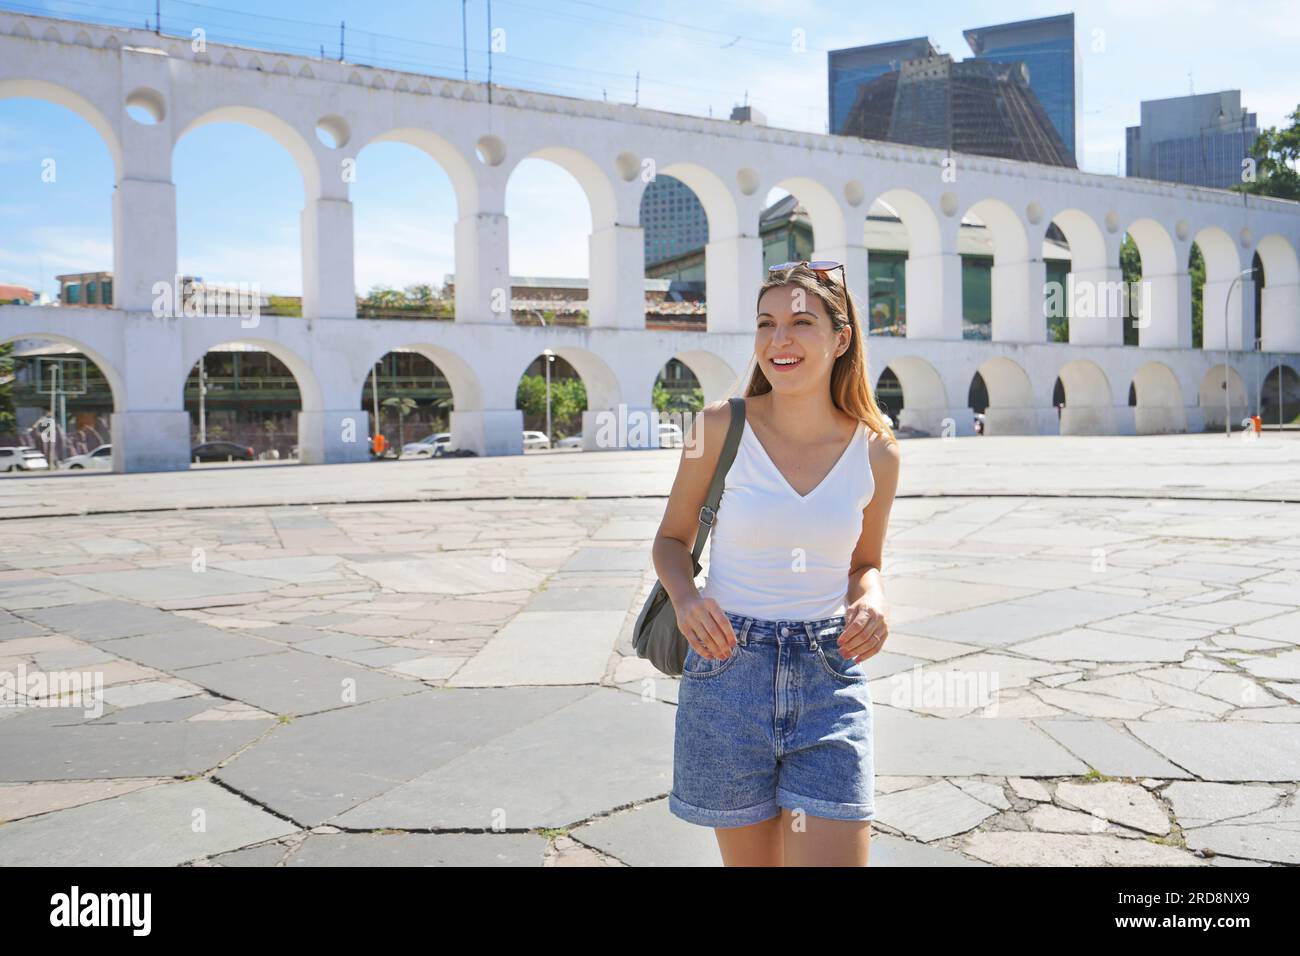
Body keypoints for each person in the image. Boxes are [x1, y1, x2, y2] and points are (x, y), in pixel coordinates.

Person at [651, 260, 901, 866]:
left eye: (800, 322)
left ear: (841, 339)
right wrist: (686, 599)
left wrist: (874, 598)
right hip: (727, 668)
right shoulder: (717, 426)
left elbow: (866, 562)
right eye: (766, 323)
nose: (778, 340)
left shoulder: (878, 450)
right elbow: (671, 542)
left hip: (829, 676)